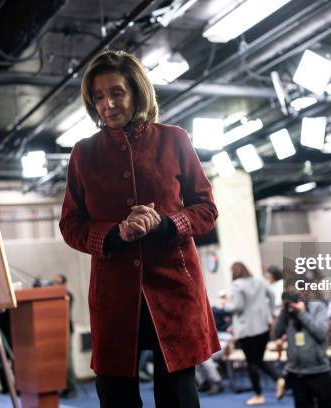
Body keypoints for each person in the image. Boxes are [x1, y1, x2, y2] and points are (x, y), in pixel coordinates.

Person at [59, 50, 219, 408]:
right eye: (98, 97)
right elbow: (71, 225)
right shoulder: (83, 154)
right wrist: (115, 234)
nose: (107, 104)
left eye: (117, 92)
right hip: (114, 297)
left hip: (175, 290)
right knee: (116, 398)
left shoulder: (175, 139)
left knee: (178, 397)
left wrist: (166, 223)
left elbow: (206, 209)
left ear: (137, 92)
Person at [226, 262, 281, 406]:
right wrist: (268, 312)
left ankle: (259, 395)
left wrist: (226, 306)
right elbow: (272, 295)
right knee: (258, 360)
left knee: (252, 362)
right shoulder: (259, 281)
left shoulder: (236, 285)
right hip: (263, 328)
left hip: (246, 330)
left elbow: (238, 307)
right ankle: (279, 379)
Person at [273, 294, 331, 408]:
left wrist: (302, 313)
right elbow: (276, 334)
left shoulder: (318, 307)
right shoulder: (288, 311)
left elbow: (322, 334)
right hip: (296, 372)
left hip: (319, 370)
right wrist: (284, 311)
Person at [52, 274, 77, 398]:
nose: (54, 284)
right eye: (54, 282)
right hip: (56, 331)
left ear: (63, 283)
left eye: (57, 282)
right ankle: (63, 386)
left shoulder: (68, 295)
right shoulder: (54, 296)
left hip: (66, 329)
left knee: (68, 361)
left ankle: (71, 387)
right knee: (59, 360)